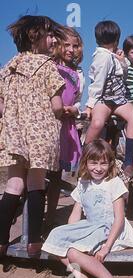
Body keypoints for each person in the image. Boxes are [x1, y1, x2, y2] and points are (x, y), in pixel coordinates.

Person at [0, 16, 66, 258]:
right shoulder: (47, 66)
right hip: (40, 134)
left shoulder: (7, 67)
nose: (53, 39)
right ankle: (34, 242)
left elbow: (1, 105)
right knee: (37, 183)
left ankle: (1, 240)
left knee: (14, 184)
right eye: (49, 34)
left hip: (14, 133)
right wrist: (69, 111)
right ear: (33, 36)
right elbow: (57, 106)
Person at [42, 140, 133, 278]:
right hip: (90, 226)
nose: (99, 168)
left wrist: (106, 247)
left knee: (73, 252)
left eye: (103, 164)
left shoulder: (114, 183)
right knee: (55, 237)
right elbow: (76, 212)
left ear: (110, 164)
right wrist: (70, 233)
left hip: (110, 228)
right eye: (94, 163)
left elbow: (119, 218)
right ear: (85, 162)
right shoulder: (83, 183)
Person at [84, 21, 133, 177]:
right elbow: (98, 82)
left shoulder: (115, 56)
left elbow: (125, 77)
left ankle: (128, 161)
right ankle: (85, 154)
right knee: (97, 123)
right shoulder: (102, 57)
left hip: (119, 98)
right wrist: (89, 105)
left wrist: (122, 62)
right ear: (116, 39)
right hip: (104, 98)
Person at [46, 26, 84, 227]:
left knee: (56, 176)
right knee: (39, 175)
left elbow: (77, 99)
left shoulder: (77, 74)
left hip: (66, 125)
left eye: (75, 46)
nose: (71, 49)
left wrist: (76, 110)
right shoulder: (49, 66)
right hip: (49, 123)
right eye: (66, 44)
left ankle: (50, 218)